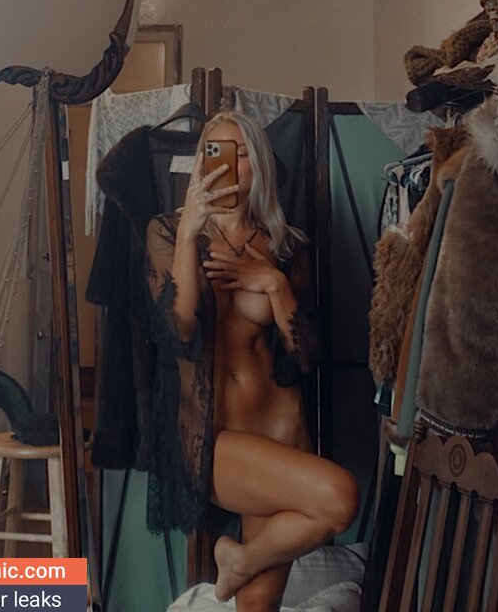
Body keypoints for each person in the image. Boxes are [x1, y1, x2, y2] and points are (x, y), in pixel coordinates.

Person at [145, 111, 360, 612]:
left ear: (259, 164)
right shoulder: (169, 232)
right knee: (342, 498)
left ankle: (240, 560)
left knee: (258, 607)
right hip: (216, 439)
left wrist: (274, 284)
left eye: (242, 153)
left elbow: (306, 356)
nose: (229, 165)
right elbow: (179, 330)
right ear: (201, 162)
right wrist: (189, 233)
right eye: (216, 152)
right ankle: (238, 559)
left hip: (281, 429)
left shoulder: (283, 245)